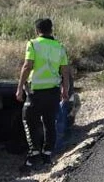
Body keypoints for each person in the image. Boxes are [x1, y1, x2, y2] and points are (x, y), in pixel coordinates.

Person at [16, 18, 71, 172]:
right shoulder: (59, 46)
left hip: (36, 91)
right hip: (53, 90)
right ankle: (47, 154)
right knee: (49, 123)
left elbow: (27, 66)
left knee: (28, 120)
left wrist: (20, 87)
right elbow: (65, 70)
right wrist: (64, 89)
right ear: (51, 29)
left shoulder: (33, 44)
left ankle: (33, 154)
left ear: (37, 30)